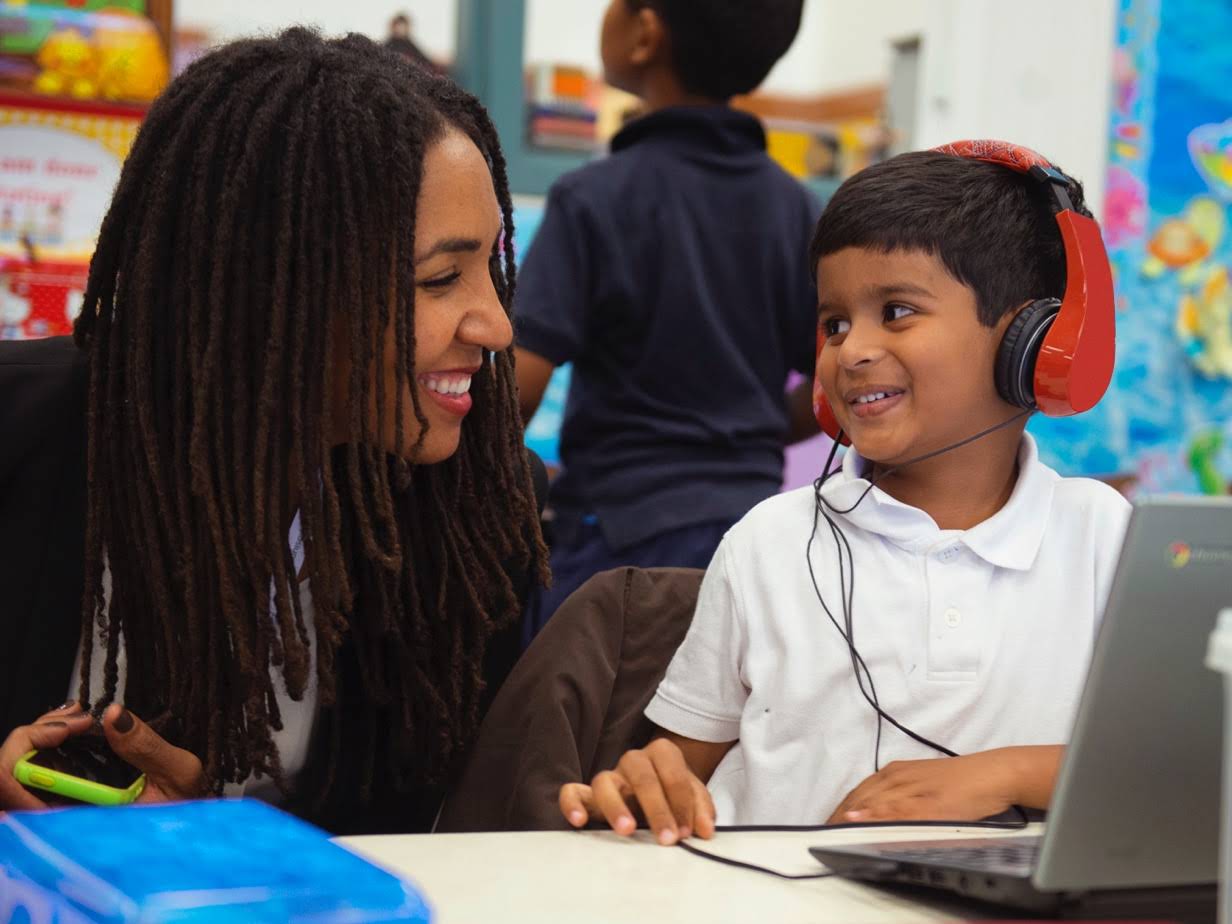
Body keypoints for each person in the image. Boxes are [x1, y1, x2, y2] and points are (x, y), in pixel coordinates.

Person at [0, 29, 547, 835]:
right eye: (440, 278)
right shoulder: (22, 436)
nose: (498, 325)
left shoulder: (475, 522)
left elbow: (398, 847)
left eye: (492, 268)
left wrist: (220, 832)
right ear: (274, 294)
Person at [557, 146, 1131, 843]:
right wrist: (644, 783)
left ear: (1033, 344)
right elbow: (678, 772)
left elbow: (1178, 768)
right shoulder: (768, 543)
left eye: (895, 311)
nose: (850, 351)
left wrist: (1004, 774)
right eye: (833, 323)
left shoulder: (1106, 538)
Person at [514, 0, 820, 642]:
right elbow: (838, 387)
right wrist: (754, 431)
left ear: (646, 33)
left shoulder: (593, 198)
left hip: (617, 548)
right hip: (761, 544)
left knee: (575, 733)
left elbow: (516, 386)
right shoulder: (794, 208)